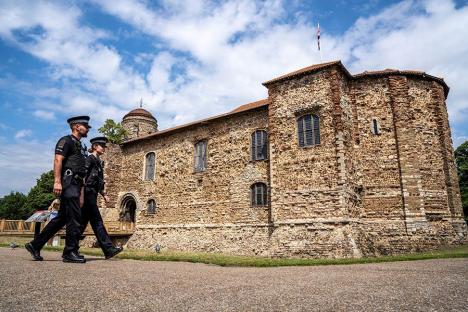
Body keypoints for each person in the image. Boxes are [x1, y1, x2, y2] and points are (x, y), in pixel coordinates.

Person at [25, 116, 91, 263]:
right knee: (75, 218)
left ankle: (35, 245)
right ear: (76, 126)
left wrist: (81, 193)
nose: (88, 128)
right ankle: (69, 252)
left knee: (61, 219)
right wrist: (57, 181)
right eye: (85, 126)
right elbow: (58, 160)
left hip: (77, 184)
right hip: (69, 182)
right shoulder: (65, 140)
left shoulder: (80, 146)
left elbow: (82, 171)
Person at [80, 136, 123, 259]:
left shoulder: (99, 162)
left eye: (104, 146)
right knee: (97, 222)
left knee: (82, 224)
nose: (104, 148)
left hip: (92, 194)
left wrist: (104, 194)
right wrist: (81, 195)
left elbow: (97, 181)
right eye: (102, 146)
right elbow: (83, 177)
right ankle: (108, 249)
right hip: (87, 194)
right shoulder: (89, 159)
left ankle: (70, 248)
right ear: (95, 146)